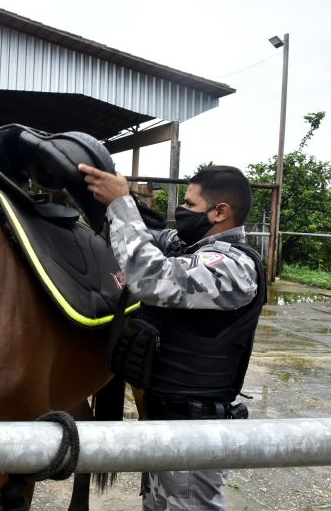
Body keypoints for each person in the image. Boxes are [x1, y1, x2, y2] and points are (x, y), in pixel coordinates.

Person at [78, 163, 266, 511]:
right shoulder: (188, 247)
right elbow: (141, 238)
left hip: (196, 432)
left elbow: (150, 278)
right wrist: (107, 204)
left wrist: (121, 204)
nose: (181, 213)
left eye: (191, 205)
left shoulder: (233, 267)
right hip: (165, 419)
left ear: (220, 211)